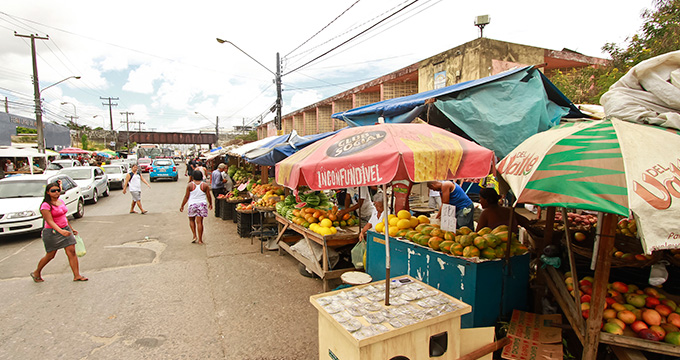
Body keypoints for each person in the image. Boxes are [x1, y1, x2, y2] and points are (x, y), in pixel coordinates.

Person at [30, 182, 88, 282]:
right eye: (53, 191)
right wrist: (60, 231)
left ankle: (77, 275)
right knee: (50, 255)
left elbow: (63, 217)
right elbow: (49, 221)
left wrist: (70, 228)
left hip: (65, 229)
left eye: (58, 190)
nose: (56, 192)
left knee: (72, 252)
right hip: (52, 232)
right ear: (48, 192)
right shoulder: (45, 205)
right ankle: (36, 272)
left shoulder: (61, 201)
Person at [180, 170, 213, 244]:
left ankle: (194, 236)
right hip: (202, 204)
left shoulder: (190, 185)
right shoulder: (204, 185)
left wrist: (182, 205)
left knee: (191, 220)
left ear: (193, 176)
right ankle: (200, 240)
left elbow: (186, 196)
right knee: (200, 222)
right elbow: (208, 195)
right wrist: (210, 203)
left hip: (192, 204)